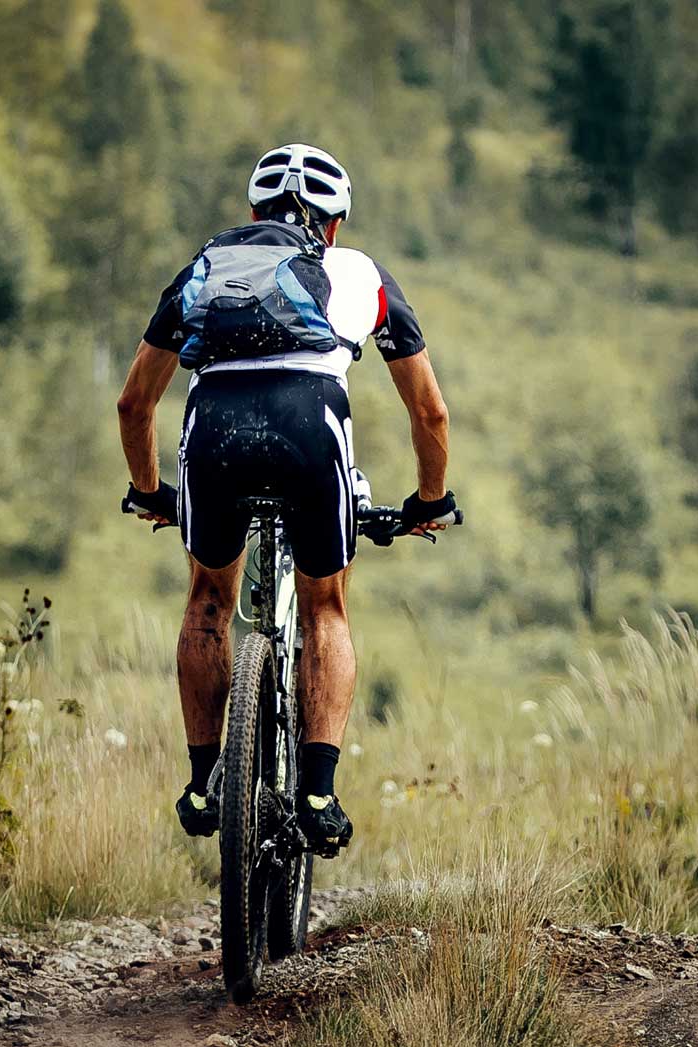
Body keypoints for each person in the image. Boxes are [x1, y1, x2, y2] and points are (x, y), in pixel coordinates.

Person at [113, 143, 456, 855]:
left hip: (214, 429)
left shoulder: (205, 271)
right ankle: (319, 790)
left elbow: (133, 404)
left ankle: (206, 779)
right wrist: (427, 500)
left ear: (252, 215)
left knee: (209, 597)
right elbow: (430, 414)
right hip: (311, 425)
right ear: (333, 226)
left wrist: (150, 492)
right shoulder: (361, 273)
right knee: (326, 603)